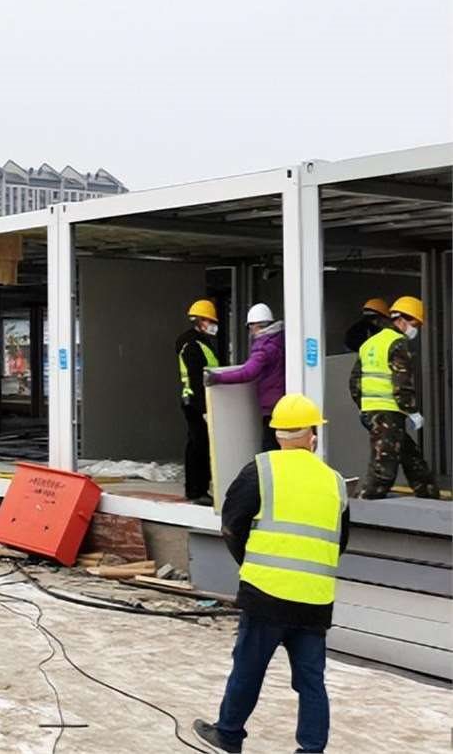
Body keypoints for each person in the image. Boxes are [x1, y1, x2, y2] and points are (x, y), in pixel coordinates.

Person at [192, 394, 348, 754]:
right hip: (314, 600)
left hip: (266, 593)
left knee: (248, 668)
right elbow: (340, 541)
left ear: (277, 434)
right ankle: (311, 749)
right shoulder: (335, 482)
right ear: (313, 435)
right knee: (311, 681)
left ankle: (228, 734)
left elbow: (231, 525)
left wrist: (251, 562)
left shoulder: (260, 470)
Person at [350, 296, 439, 499]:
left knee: (410, 455)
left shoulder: (369, 344)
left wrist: (364, 407)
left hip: (374, 411)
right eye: (415, 323)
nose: (416, 329)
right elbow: (402, 382)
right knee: (384, 467)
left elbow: (354, 381)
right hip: (389, 412)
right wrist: (412, 410)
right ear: (403, 319)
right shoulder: (398, 344)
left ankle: (428, 491)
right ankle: (363, 503)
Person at [207, 303, 285, 453]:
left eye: (250, 327)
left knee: (269, 452)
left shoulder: (263, 347)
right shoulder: (281, 339)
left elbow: (248, 372)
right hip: (284, 403)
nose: (250, 332)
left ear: (256, 326)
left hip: (272, 408)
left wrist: (217, 378)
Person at [177, 299, 221, 505]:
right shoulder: (192, 344)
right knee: (199, 446)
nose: (212, 325)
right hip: (196, 402)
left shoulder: (200, 343)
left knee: (197, 444)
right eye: (209, 321)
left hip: (197, 401)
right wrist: (203, 408)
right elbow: (196, 377)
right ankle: (196, 490)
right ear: (198, 321)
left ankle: (197, 488)